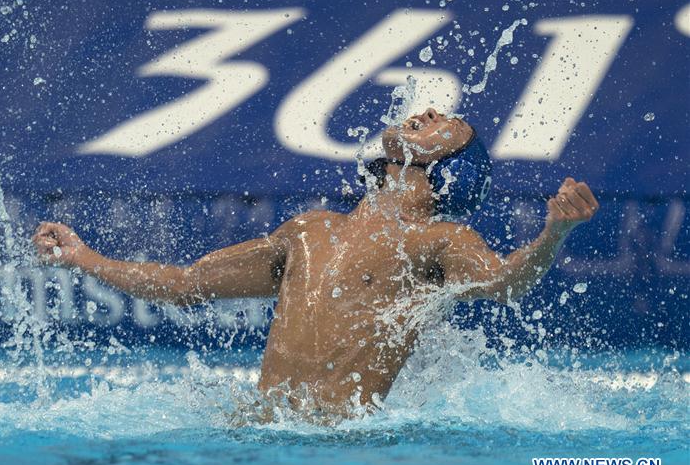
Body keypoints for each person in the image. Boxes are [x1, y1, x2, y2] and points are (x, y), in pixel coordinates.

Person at [32, 109, 599, 418]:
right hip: (252, 430)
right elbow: (186, 285)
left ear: (451, 169)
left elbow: (504, 283)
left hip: (338, 446)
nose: (427, 111)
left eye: (448, 121)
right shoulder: (309, 230)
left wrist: (554, 233)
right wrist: (87, 257)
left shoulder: (440, 240)